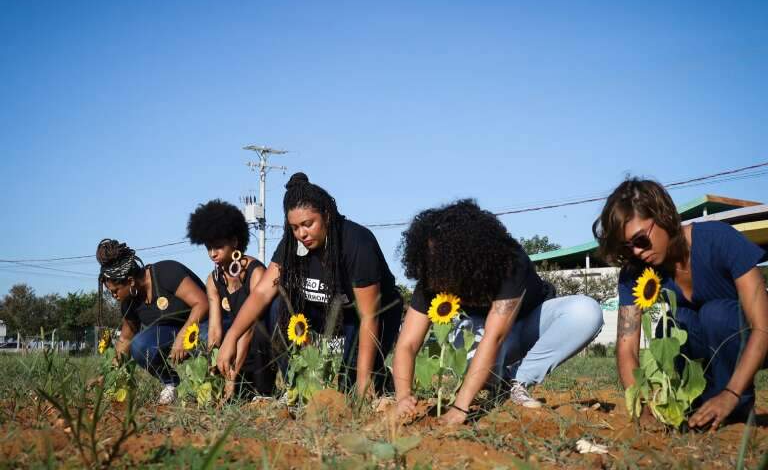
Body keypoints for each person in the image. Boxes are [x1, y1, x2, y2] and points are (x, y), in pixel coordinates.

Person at [394, 199, 604, 425]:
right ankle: (498, 380)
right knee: (476, 362)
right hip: (484, 334)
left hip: (530, 325)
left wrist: (460, 407)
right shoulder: (431, 275)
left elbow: (495, 337)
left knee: (586, 312)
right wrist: (403, 397)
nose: (434, 264)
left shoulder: (508, 261)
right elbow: (407, 344)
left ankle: (518, 381)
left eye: (442, 256)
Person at [593, 178, 768, 429]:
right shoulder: (636, 273)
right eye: (627, 247)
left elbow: (763, 326)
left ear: (663, 217)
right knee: (677, 323)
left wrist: (730, 394)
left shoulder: (718, 240)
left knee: (714, 314)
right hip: (704, 355)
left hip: (754, 343)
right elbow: (627, 348)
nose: (637, 253)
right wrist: (642, 407)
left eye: (641, 240)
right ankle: (700, 406)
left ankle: (737, 412)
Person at [217, 172, 403, 396]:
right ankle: (295, 387)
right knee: (275, 307)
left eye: (308, 224)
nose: (301, 234)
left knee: (351, 386)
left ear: (326, 215)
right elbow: (261, 294)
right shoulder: (292, 246)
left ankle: (381, 378)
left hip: (369, 317)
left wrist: (363, 386)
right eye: (294, 228)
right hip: (325, 314)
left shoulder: (356, 243)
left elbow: (369, 317)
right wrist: (231, 336)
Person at [96, 238, 209, 404]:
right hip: (175, 331)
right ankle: (172, 384)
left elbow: (202, 303)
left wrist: (183, 337)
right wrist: (108, 374)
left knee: (209, 340)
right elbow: (125, 340)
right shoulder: (129, 303)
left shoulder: (166, 273)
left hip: (205, 322)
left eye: (115, 291)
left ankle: (219, 382)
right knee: (139, 345)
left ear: (130, 281)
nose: (114, 296)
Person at [187, 199, 277, 398]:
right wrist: (213, 364)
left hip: (261, 343)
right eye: (208, 248)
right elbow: (215, 329)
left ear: (235, 242)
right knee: (203, 336)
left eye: (218, 247)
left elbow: (251, 326)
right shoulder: (213, 280)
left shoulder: (255, 272)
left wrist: (231, 376)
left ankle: (265, 392)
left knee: (259, 333)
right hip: (235, 344)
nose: (212, 254)